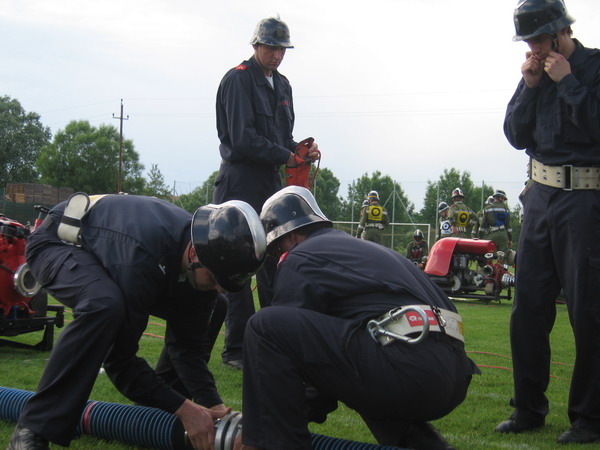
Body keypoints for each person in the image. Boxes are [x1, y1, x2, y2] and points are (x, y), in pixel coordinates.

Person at [7, 194, 266, 450]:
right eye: (215, 278)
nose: (219, 288)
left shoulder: (201, 254)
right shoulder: (140, 257)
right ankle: (31, 430)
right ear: (194, 253)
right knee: (104, 305)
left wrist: (214, 407)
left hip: (128, 252)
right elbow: (119, 361)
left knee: (217, 306)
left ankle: (152, 416)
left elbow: (188, 350)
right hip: (57, 242)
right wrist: (186, 410)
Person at [239, 186, 480, 449]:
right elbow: (329, 364)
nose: (277, 257)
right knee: (366, 346)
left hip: (411, 366)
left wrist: (263, 428)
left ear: (293, 236)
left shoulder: (300, 257)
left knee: (264, 326)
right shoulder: (361, 249)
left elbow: (292, 351)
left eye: (277, 249)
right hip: (453, 371)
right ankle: (424, 443)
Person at [495, 0, 600, 444]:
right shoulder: (534, 74)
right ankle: (528, 408)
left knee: (588, 311)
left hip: (586, 199)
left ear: (561, 33)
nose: (534, 48)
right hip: (539, 196)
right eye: (528, 42)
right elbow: (515, 135)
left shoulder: (593, 67)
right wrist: (531, 85)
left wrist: (568, 82)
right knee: (528, 309)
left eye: (539, 39)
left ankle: (590, 417)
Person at [213, 16, 320, 369]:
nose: (277, 55)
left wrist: (301, 151)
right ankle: (237, 349)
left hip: (271, 184)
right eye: (271, 48)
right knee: (240, 265)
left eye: (282, 49)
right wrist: (284, 155)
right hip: (239, 181)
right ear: (256, 45)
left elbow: (282, 138)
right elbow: (242, 139)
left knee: (276, 262)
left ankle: (274, 341)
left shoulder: (283, 85)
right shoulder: (238, 80)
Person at [479, 190, 513, 262]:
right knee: (502, 255)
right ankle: (500, 266)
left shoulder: (487, 209)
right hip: (503, 235)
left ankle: (488, 266)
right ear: (501, 198)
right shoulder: (506, 209)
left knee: (489, 254)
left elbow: (483, 225)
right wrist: (510, 239)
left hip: (492, 235)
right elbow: (508, 227)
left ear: (495, 197)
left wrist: (480, 237)